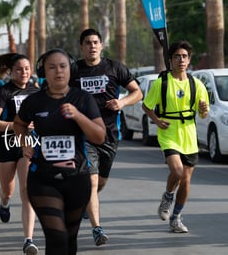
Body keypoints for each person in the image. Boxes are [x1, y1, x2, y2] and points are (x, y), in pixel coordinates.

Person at [14, 48, 106, 255]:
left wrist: (78, 116)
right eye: (52, 67)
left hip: (77, 177)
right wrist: (24, 143)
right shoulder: (34, 101)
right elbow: (19, 123)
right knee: (56, 237)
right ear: (43, 72)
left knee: (70, 239)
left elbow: (99, 136)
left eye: (63, 66)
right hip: (43, 179)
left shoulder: (82, 99)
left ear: (70, 70)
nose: (58, 72)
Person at [69, 28, 143, 246]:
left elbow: (137, 92)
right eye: (87, 43)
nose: (92, 46)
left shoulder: (114, 67)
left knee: (100, 182)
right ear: (81, 47)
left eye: (95, 42)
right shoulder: (74, 71)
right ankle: (97, 229)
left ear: (101, 45)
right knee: (91, 182)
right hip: (84, 135)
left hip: (110, 135)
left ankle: (86, 203)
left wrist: (121, 102)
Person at [142, 40, 209, 233]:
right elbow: (146, 106)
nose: (181, 60)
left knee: (186, 181)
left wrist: (203, 110)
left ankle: (176, 217)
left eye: (185, 56)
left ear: (189, 60)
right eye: (177, 56)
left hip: (188, 135)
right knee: (177, 172)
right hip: (168, 132)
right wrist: (156, 120)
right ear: (170, 60)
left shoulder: (197, 85)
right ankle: (168, 196)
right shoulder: (161, 83)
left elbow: (203, 113)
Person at [0, 53, 39, 255]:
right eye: (19, 69)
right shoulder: (4, 92)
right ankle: (4, 201)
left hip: (28, 144)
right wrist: (18, 125)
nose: (24, 72)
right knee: (7, 190)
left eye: (27, 68)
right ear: (11, 71)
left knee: (27, 192)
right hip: (7, 145)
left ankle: (29, 240)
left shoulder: (36, 91)